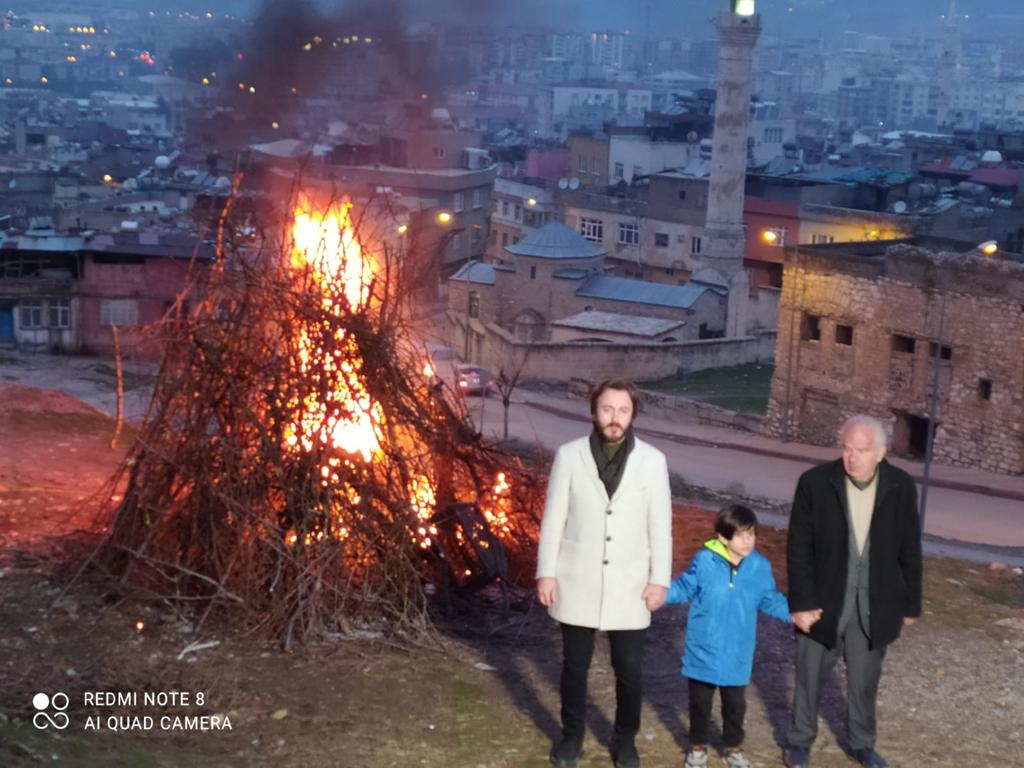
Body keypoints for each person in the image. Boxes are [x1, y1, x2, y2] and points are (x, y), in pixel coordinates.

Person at [536, 379, 673, 768]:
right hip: (576, 577)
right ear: (593, 412)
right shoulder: (570, 456)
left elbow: (659, 526)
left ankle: (625, 739)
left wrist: (658, 579)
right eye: (607, 409)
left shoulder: (653, 461)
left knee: (629, 670)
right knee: (574, 667)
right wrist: (546, 573)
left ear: (633, 414)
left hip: (630, 585)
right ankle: (571, 736)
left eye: (623, 410)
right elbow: (554, 519)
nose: (615, 418)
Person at [784, 415, 923, 768]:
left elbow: (909, 547)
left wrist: (910, 604)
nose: (852, 458)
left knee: (864, 681)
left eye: (861, 450)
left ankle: (862, 744)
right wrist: (801, 603)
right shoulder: (815, 483)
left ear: (880, 452)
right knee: (809, 676)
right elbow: (798, 547)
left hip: (874, 605)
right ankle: (799, 741)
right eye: (846, 449)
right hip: (823, 601)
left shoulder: (901, 487)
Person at [666, 504, 795, 768]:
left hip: (738, 652)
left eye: (751, 534)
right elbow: (684, 587)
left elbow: (770, 599)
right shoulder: (704, 560)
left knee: (735, 707)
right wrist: (658, 595)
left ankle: (733, 748)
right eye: (741, 535)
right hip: (703, 649)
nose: (748, 541)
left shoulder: (759, 566)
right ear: (723, 538)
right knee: (700, 704)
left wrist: (796, 614)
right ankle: (698, 747)